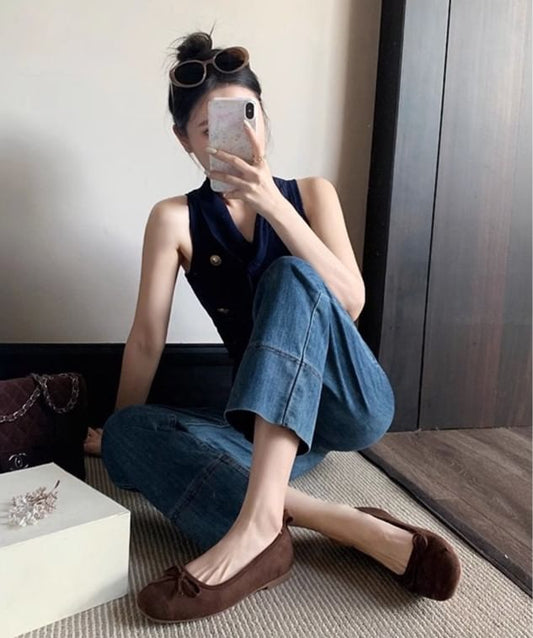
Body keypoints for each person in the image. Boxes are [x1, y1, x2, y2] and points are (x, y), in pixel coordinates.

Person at [84, 30, 461, 623]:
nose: (238, 137)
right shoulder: (174, 219)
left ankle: (257, 524)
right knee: (128, 433)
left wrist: (272, 204)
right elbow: (148, 339)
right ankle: (332, 521)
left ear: (263, 116)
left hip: (347, 400)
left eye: (247, 116)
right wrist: (115, 433)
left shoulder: (312, 194)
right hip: (264, 425)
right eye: (209, 129)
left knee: (290, 276)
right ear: (185, 141)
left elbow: (351, 302)